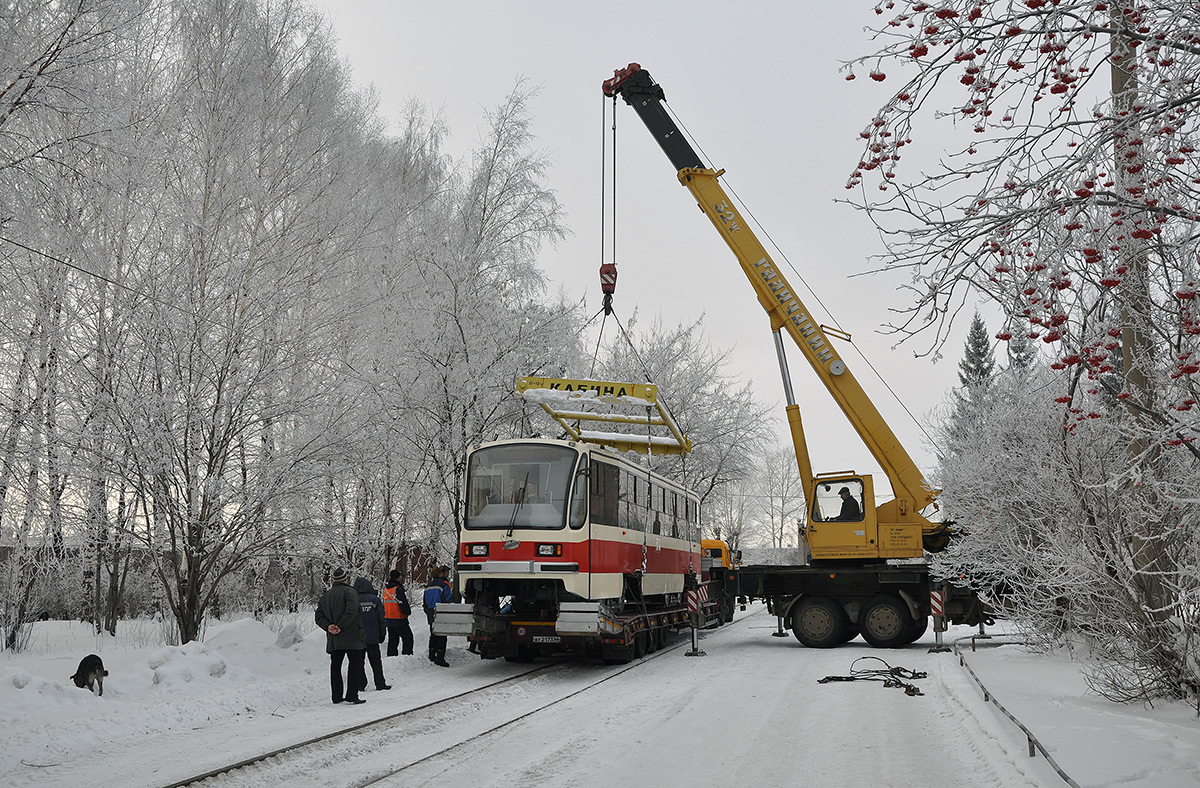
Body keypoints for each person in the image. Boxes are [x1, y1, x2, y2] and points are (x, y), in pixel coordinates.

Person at [315, 566, 367, 705]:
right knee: (355, 665)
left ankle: (336, 696)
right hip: (352, 637)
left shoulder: (326, 596)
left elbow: (318, 616)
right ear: (346, 579)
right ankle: (352, 695)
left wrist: (329, 627)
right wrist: (340, 626)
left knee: (335, 666)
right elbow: (352, 611)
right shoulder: (351, 592)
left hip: (334, 639)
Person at [353, 576, 391, 691]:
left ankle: (361, 684)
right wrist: (382, 634)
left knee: (359, 662)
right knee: (376, 662)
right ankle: (380, 683)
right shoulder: (374, 600)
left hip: (358, 638)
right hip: (373, 637)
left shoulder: (353, 600)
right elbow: (381, 619)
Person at [423, 565, 453, 667]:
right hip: (441, 612)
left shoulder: (428, 587)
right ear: (440, 574)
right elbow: (448, 599)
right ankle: (440, 657)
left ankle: (432, 655)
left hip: (431, 612)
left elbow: (424, 603)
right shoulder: (443, 585)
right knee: (442, 636)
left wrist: (428, 611)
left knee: (433, 634)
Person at [382, 569, 415, 656]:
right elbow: (402, 603)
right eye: (400, 576)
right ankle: (407, 656)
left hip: (389, 618)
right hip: (399, 618)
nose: (401, 577)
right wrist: (407, 612)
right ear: (396, 578)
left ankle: (391, 657)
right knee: (408, 637)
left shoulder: (387, 589)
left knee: (393, 640)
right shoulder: (398, 589)